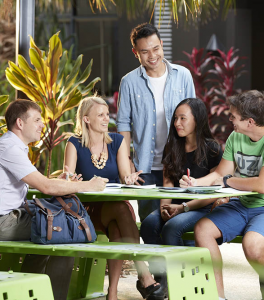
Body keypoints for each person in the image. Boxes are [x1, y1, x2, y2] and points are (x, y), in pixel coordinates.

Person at [180, 90, 264, 300]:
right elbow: (220, 173)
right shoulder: (237, 136)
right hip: (244, 204)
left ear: (250, 122)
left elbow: (263, 186)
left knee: (253, 245)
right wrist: (195, 183)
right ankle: (218, 297)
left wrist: (229, 182)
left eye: (233, 116)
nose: (230, 119)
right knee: (203, 229)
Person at [0, 99, 107, 300]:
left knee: (52, 230)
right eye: (37, 120)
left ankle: (30, 294)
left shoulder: (13, 146)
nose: (42, 124)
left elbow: (37, 182)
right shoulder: (9, 147)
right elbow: (45, 187)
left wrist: (59, 182)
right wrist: (88, 185)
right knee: (66, 232)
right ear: (20, 124)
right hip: (3, 221)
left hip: (10, 217)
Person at [63, 95, 164, 300]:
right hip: (86, 211)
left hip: (114, 209)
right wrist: (70, 179)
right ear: (86, 119)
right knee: (121, 210)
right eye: (99, 115)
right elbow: (67, 178)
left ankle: (112, 293)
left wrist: (129, 178)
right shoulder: (73, 144)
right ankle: (143, 273)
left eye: (107, 114)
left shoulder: (117, 141)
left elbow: (125, 175)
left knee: (119, 220)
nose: (105, 119)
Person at [140, 98, 223, 296]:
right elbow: (167, 183)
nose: (177, 123)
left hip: (201, 207)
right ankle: (162, 277)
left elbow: (214, 193)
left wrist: (183, 208)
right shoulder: (173, 146)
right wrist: (164, 208)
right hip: (175, 207)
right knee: (149, 224)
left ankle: (178, 282)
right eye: (176, 118)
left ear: (198, 120)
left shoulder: (212, 148)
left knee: (172, 228)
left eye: (183, 118)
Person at [117, 23, 196, 221]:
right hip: (146, 168)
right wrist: (127, 162)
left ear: (162, 44)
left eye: (156, 48)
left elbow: (195, 119)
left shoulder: (183, 75)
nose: (152, 56)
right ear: (135, 52)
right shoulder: (129, 82)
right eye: (144, 51)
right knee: (150, 223)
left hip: (179, 164)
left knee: (182, 223)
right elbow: (124, 125)